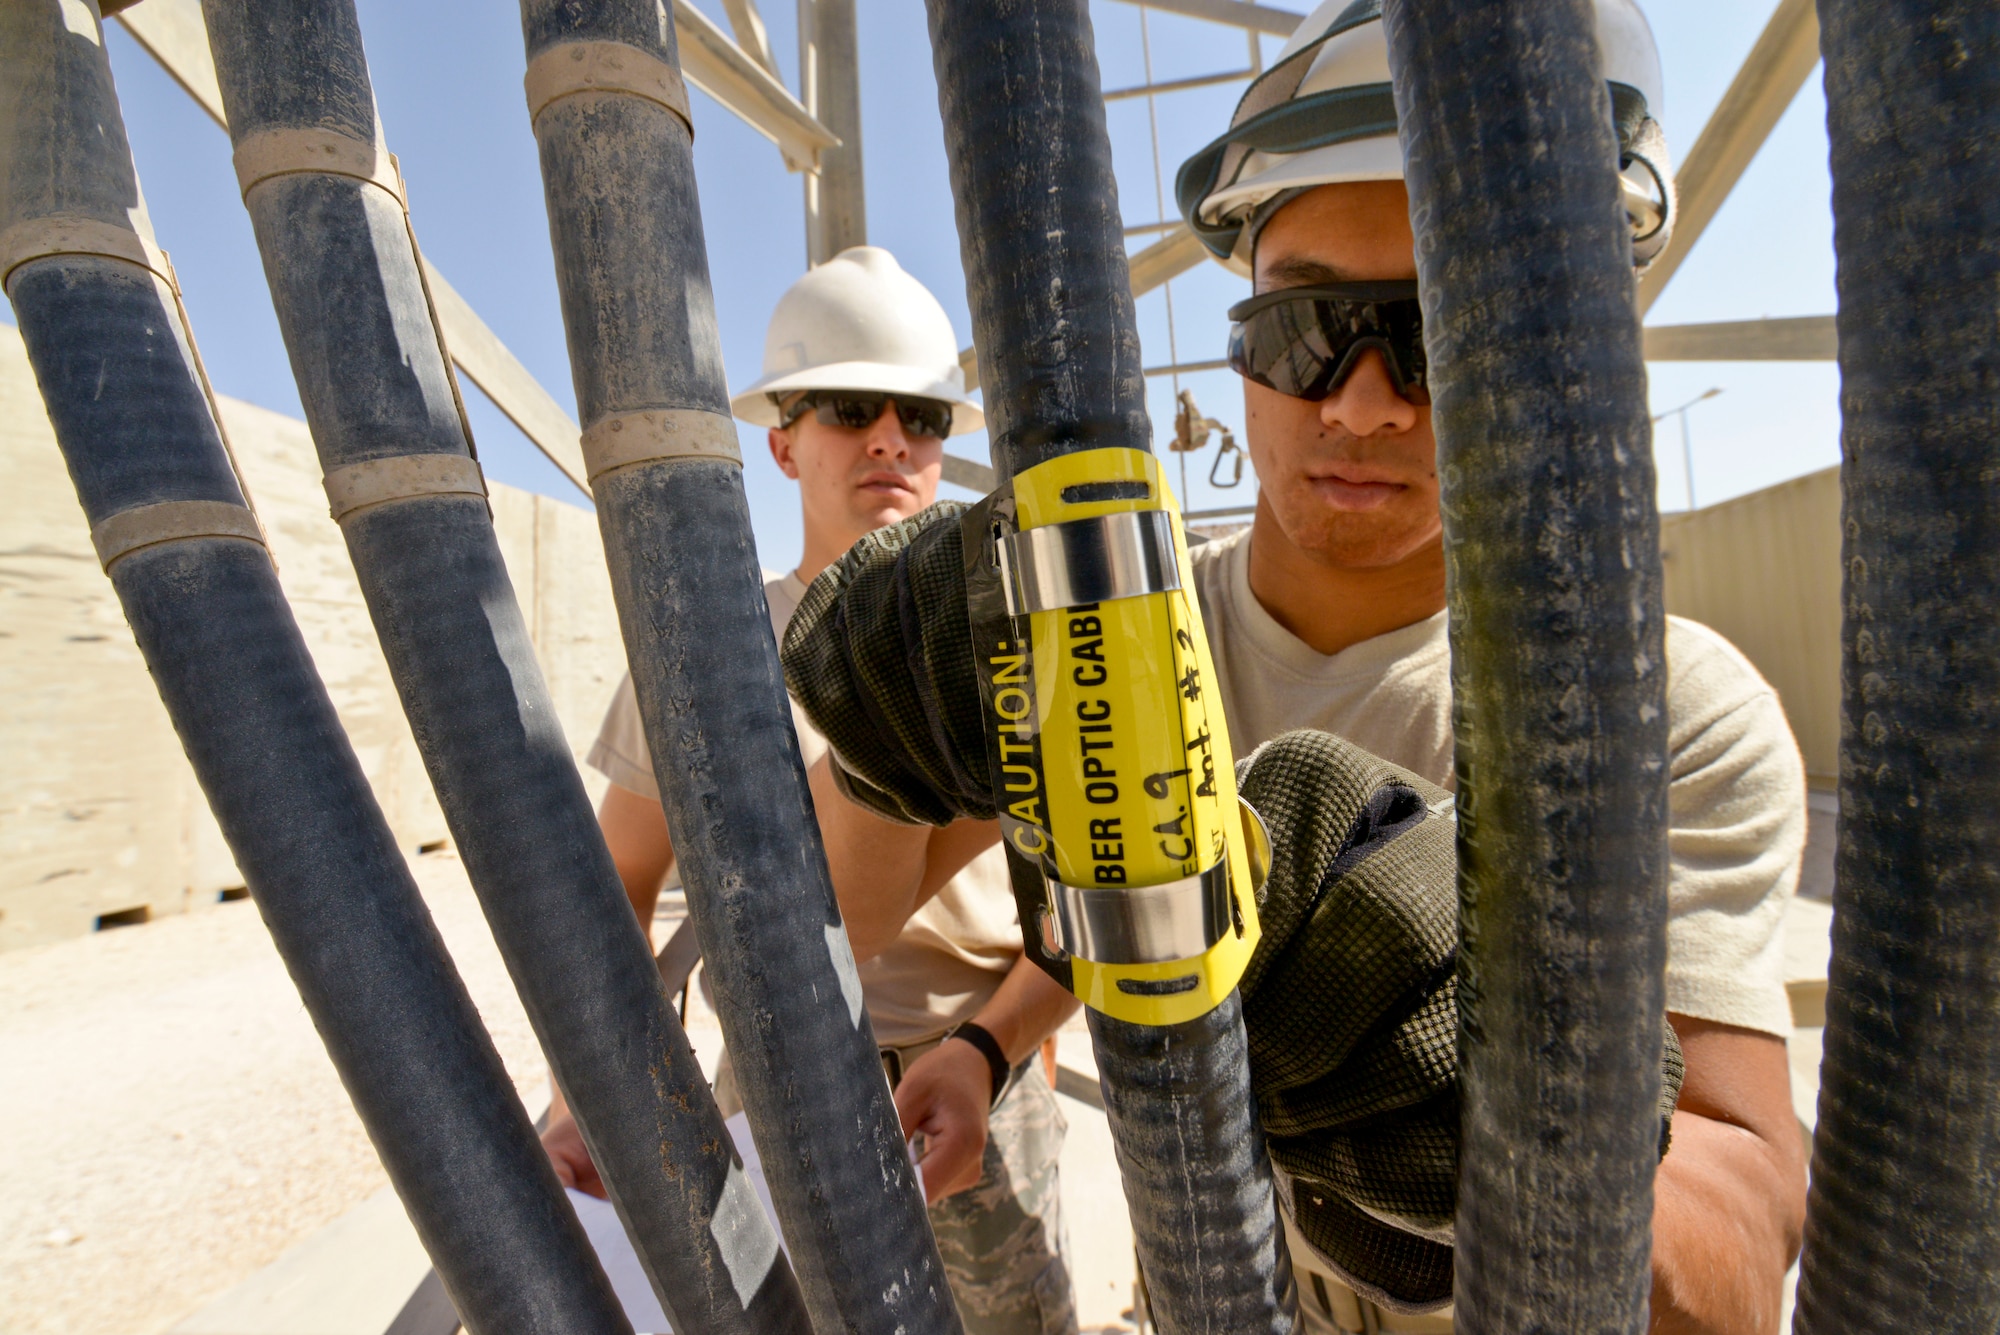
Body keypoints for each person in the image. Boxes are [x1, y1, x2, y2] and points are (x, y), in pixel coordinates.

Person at [775, 4, 1810, 1333]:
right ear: (1241, 331)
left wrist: (1521, 1138)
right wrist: (896, 739)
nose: (1365, 400)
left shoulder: (1667, 712)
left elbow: (1741, 1244)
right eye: (1310, 326)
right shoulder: (1136, 639)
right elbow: (836, 917)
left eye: (1440, 334)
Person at [541, 246, 1079, 1335]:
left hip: (981, 1076)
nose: (888, 438)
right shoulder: (705, 659)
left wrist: (987, 1051)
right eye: (846, 407)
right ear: (783, 443)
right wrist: (584, 1084)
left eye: (919, 416)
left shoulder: (1024, 651)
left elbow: (1087, 897)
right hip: (769, 1092)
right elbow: (618, 887)